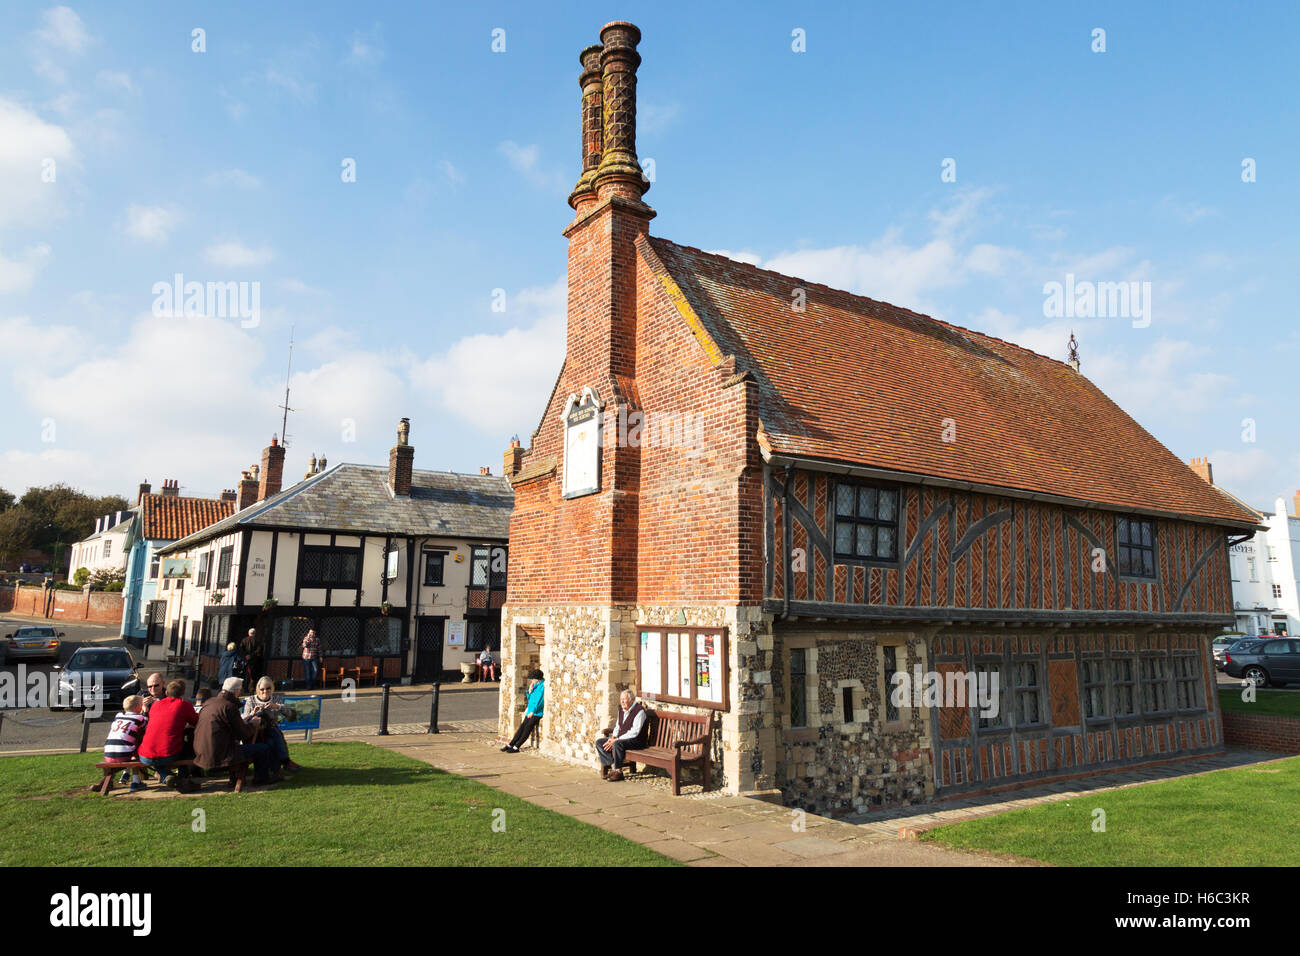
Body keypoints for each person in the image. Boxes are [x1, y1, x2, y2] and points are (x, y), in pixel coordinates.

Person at [194, 676, 276, 788]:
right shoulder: (229, 707)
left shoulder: (209, 702)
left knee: (233, 745)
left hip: (201, 752)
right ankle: (261, 779)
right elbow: (242, 733)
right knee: (263, 748)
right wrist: (254, 723)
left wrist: (249, 717)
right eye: (240, 690)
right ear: (236, 691)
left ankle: (234, 779)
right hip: (221, 754)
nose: (240, 692)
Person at [138, 679, 199, 791]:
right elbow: (196, 722)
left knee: (155, 756)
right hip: (168, 753)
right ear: (183, 693)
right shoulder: (184, 705)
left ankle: (166, 776)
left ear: (166, 693)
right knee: (188, 748)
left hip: (144, 755)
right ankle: (182, 777)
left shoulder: (155, 705)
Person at [242, 676, 303, 774]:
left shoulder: (276, 699)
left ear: (272, 688)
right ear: (258, 689)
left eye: (268, 688)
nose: (265, 691)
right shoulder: (251, 700)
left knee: (271, 741)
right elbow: (244, 719)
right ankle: (285, 762)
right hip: (254, 733)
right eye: (262, 689)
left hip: (270, 732)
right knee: (272, 730)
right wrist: (252, 713)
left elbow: (291, 716)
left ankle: (275, 771)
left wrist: (277, 706)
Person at [595, 689, 649, 781]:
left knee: (616, 744)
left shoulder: (639, 711)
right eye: (621, 699)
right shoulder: (621, 710)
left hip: (636, 741)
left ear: (632, 700)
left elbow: (635, 732)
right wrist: (613, 737)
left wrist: (617, 740)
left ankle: (618, 772)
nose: (622, 701)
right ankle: (614, 768)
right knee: (599, 742)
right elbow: (617, 726)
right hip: (622, 739)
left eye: (624, 699)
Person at [104, 694, 149, 792]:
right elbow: (146, 723)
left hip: (108, 754)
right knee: (136, 751)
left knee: (128, 745)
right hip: (123, 755)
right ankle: (135, 782)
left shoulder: (118, 716)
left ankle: (125, 773)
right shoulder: (139, 718)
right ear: (138, 707)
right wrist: (145, 711)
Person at [501, 669, 544, 753]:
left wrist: (533, 711)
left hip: (536, 712)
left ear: (537, 679)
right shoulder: (535, 685)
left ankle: (517, 747)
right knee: (522, 727)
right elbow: (530, 698)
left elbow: (540, 700)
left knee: (528, 728)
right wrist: (529, 691)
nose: (531, 681)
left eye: (532, 679)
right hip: (530, 710)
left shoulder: (542, 687)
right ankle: (511, 744)